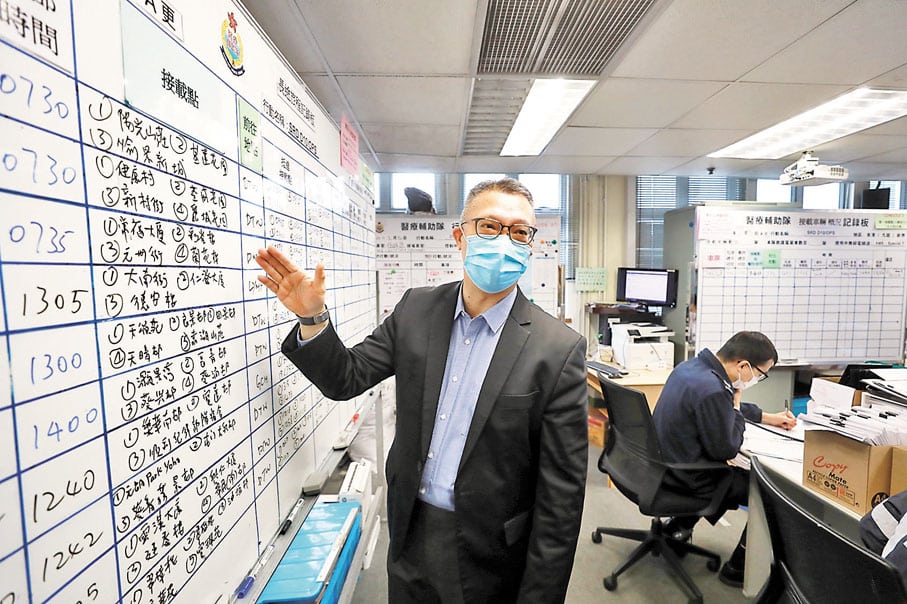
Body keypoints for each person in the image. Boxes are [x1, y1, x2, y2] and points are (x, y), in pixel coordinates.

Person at [255, 177, 588, 603]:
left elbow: (561, 500)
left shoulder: (557, 349)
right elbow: (346, 378)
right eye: (489, 226)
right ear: (460, 237)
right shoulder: (416, 309)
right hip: (411, 531)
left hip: (492, 553)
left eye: (519, 232)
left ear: (530, 245)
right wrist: (313, 317)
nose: (505, 240)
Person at [651, 331, 797, 588]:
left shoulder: (693, 369)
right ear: (743, 365)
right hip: (688, 478)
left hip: (662, 465)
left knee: (736, 476)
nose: (757, 380)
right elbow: (726, 449)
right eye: (761, 374)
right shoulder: (713, 389)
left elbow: (720, 407)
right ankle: (738, 568)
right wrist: (737, 411)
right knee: (769, 492)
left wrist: (768, 417)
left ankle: (677, 528)